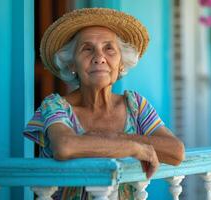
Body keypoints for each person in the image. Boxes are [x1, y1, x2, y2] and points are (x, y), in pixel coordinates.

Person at [23, 8, 185, 199]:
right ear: (72, 64)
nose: (99, 57)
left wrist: (113, 137)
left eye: (109, 48)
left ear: (121, 63)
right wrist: (135, 148)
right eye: (87, 49)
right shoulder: (55, 106)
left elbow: (175, 151)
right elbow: (65, 146)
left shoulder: (135, 104)